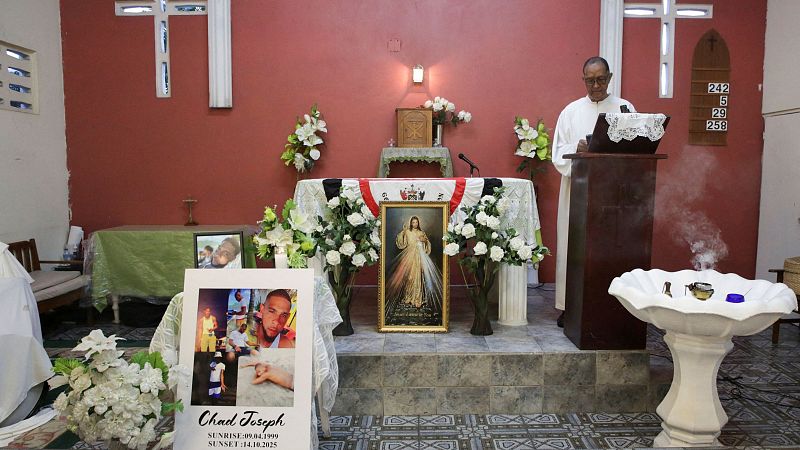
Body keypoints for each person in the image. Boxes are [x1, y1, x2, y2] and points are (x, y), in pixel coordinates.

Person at [551, 56, 635, 327]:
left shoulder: (624, 108)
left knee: (608, 249)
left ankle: (612, 304)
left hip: (613, 195)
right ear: (583, 80)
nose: (595, 85)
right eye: (590, 80)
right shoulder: (571, 112)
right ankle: (570, 305)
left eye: (600, 79)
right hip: (578, 191)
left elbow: (636, 148)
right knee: (573, 249)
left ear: (610, 78)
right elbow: (557, 153)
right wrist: (578, 150)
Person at [386, 216, 443, 317]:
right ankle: (409, 297)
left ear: (418, 223)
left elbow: (427, 244)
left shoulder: (421, 233)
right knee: (409, 277)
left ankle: (418, 299)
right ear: (411, 223)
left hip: (419, 258)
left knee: (418, 277)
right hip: (409, 257)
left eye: (416, 222)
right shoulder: (407, 232)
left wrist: (424, 241)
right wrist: (403, 232)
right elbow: (401, 242)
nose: (415, 224)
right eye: (413, 222)